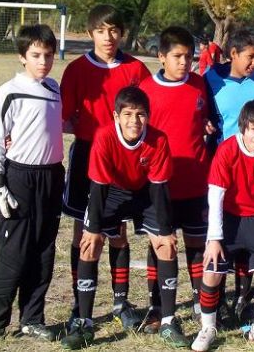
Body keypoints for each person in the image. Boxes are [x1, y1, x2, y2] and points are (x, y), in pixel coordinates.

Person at [61, 87, 183, 349]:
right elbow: (98, 188)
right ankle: (84, 323)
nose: (134, 121)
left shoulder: (158, 140)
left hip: (146, 191)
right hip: (112, 191)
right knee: (89, 243)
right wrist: (93, 229)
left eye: (140, 115)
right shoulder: (104, 137)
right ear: (116, 116)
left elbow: (159, 188)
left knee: (166, 245)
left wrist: (165, 229)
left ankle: (168, 321)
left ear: (148, 117)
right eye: (127, 114)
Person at [60, 5, 151, 330]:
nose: (108, 37)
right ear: (90, 34)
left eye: (113, 30)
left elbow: (146, 116)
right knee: (83, 233)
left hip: (124, 158)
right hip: (87, 155)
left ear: (122, 33)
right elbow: (63, 116)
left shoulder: (136, 69)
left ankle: (120, 301)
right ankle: (78, 301)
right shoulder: (76, 70)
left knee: (118, 232)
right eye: (101, 30)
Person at [0, 24, 63, 342]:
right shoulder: (10, 90)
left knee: (43, 252)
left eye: (49, 55)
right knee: (12, 254)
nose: (43, 61)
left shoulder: (55, 89)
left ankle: (32, 318)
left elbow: (53, 125)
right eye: (36, 55)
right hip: (20, 178)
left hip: (52, 177)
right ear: (22, 57)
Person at [191, 99, 254, 352]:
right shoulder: (227, 150)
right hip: (229, 218)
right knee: (212, 268)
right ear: (243, 127)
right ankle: (208, 327)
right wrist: (213, 239)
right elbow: (216, 196)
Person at [139, 26, 213, 333]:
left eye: (189, 56)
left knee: (196, 244)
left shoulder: (198, 84)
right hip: (161, 184)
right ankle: (158, 305)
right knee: (161, 246)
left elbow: (203, 120)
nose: (185, 62)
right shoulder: (146, 89)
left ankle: (199, 302)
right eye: (177, 56)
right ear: (161, 56)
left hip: (196, 179)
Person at [204, 26, 254, 315]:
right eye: (250, 57)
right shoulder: (210, 79)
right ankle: (216, 299)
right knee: (224, 228)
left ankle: (243, 296)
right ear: (233, 54)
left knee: (250, 225)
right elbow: (203, 114)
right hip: (224, 164)